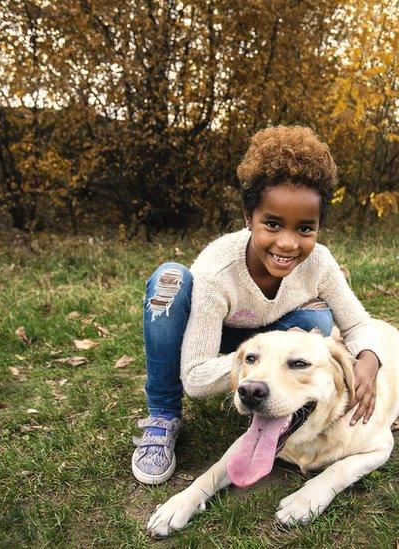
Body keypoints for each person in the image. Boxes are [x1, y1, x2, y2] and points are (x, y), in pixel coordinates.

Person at [131, 125, 385, 485]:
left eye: (304, 229)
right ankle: (162, 414)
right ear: (248, 218)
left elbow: (357, 325)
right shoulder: (218, 270)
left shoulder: (320, 263)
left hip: (266, 344)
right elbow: (197, 378)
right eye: (272, 224)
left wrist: (369, 360)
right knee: (169, 279)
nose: (287, 243)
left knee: (319, 319)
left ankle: (277, 381)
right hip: (216, 339)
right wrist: (254, 368)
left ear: (318, 227)